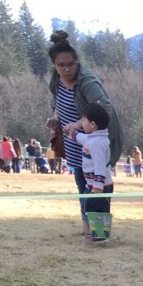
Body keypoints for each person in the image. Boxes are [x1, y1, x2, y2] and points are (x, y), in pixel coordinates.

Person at [47, 30, 122, 237]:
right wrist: (56, 118)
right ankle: (87, 227)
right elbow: (58, 103)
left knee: (97, 187)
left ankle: (100, 231)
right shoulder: (56, 80)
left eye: (71, 64)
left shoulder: (88, 81)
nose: (67, 69)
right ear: (54, 65)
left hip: (93, 139)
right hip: (74, 141)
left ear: (77, 63)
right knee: (82, 184)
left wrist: (78, 123)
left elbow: (103, 107)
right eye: (61, 65)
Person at [64, 101, 113, 243]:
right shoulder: (93, 139)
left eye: (83, 120)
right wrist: (70, 133)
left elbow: (100, 166)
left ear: (93, 124)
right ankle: (98, 234)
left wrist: (97, 187)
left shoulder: (98, 143)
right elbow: (82, 138)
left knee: (94, 208)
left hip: (100, 186)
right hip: (92, 184)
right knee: (91, 207)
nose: (81, 123)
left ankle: (99, 237)